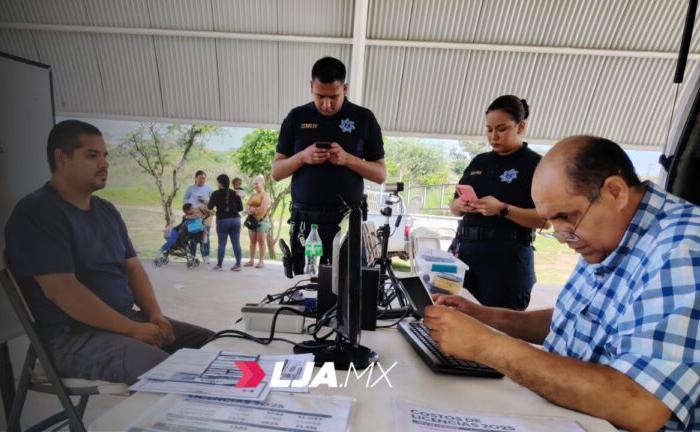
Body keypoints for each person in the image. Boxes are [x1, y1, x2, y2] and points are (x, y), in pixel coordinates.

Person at [425, 136, 700, 432]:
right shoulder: (608, 231)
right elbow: (574, 319)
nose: (562, 236)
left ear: (615, 192)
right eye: (552, 222)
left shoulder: (684, 246)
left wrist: (485, 346)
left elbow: (642, 404)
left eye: (566, 217)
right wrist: (486, 317)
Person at [4, 120, 214, 385]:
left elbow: (133, 268)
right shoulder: (38, 212)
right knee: (165, 371)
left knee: (216, 345)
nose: (104, 164)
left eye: (105, 155)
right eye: (92, 155)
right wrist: (133, 330)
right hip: (73, 337)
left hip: (126, 319)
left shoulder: (106, 211)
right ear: (61, 158)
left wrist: (154, 315)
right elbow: (62, 290)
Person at [272, 56, 386, 272]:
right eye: (320, 96)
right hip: (305, 222)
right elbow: (276, 172)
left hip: (345, 222)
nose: (326, 104)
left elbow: (380, 174)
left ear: (345, 88)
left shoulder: (363, 118)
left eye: (333, 96)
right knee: (306, 284)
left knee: (345, 286)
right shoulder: (297, 117)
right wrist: (302, 157)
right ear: (311, 87)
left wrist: (347, 159)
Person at [449, 95, 546, 310]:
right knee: (456, 318)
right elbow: (453, 206)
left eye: (501, 129)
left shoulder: (536, 165)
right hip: (465, 254)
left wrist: (502, 209)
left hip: (506, 261)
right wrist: (459, 206)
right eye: (489, 129)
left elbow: (545, 221)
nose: (493, 136)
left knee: (498, 327)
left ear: (520, 126)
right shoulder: (479, 161)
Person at [207, 174, 243, 271]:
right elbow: (240, 208)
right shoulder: (235, 193)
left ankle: (219, 265)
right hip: (235, 220)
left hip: (222, 220)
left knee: (222, 243)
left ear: (219, 183)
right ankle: (238, 265)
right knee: (236, 243)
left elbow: (209, 207)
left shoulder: (215, 193)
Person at [183, 170, 213, 264]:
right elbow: (185, 200)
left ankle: (206, 256)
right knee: (193, 234)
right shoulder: (190, 188)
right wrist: (192, 202)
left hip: (205, 215)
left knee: (205, 235)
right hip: (194, 215)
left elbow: (212, 203)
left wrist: (205, 201)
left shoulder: (208, 188)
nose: (202, 180)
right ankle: (192, 255)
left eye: (203, 178)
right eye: (200, 178)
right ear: (196, 178)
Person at [244, 175, 272, 268]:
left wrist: (253, 210)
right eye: (254, 184)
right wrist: (248, 209)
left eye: (257, 183)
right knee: (252, 241)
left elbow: (263, 208)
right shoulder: (253, 195)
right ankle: (251, 260)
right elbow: (247, 205)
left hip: (262, 221)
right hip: (252, 221)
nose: (255, 186)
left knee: (261, 241)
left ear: (262, 183)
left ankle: (261, 261)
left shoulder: (265, 195)